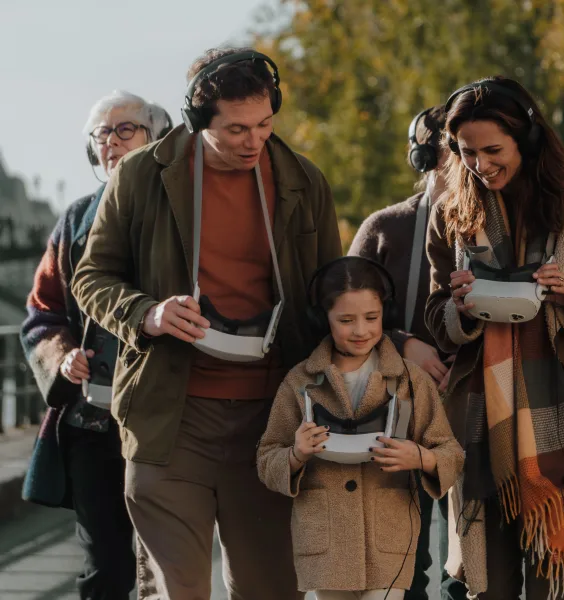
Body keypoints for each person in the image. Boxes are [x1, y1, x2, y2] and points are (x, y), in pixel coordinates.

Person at [71, 48, 342, 599]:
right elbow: (91, 277)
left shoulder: (303, 181)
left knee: (271, 589)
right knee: (178, 591)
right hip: (170, 418)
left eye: (265, 124)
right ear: (197, 120)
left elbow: (329, 293)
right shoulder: (141, 177)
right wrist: (147, 314)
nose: (254, 140)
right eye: (236, 129)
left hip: (272, 423)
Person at [425, 76, 564, 599]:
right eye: (467, 152)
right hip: (481, 421)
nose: (481, 164)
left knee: (555, 585)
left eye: (493, 150)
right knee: (488, 584)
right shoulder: (450, 211)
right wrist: (459, 308)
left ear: (526, 139)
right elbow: (436, 314)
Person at [20, 90, 171, 600]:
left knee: (166, 567)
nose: (112, 142)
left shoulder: (181, 215)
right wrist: (63, 359)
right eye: (102, 134)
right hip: (91, 424)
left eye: (125, 129)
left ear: (158, 138)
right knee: (104, 569)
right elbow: (41, 312)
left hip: (165, 422)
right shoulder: (75, 220)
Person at [256, 256, 464, 599]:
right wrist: (295, 455)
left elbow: (451, 454)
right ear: (322, 318)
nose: (361, 330)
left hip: (390, 543)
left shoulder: (412, 380)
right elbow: (266, 459)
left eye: (372, 317)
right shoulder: (299, 382)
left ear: (387, 314)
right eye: (346, 320)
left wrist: (421, 458)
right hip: (325, 548)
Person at [348, 105, 467, 600]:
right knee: (402, 570)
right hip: (395, 420)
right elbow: (335, 315)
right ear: (424, 156)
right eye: (451, 149)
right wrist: (402, 345)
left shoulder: (498, 226)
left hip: (471, 418)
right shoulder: (385, 227)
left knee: (468, 570)